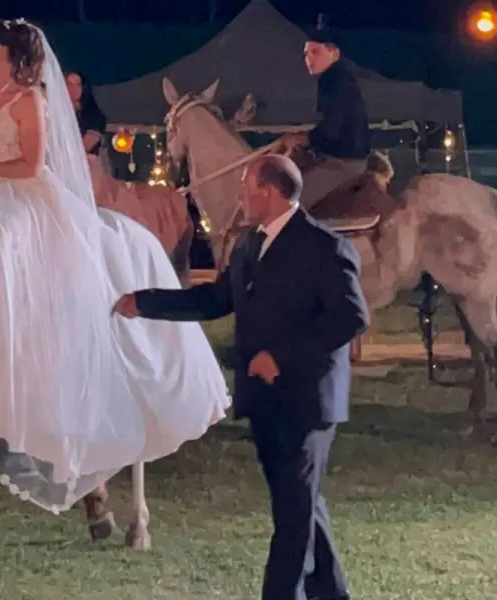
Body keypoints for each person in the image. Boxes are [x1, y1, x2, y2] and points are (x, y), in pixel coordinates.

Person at [0, 18, 230, 513]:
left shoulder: (31, 98)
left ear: (2, 52)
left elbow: (29, 165)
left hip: (24, 199)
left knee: (2, 241)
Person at [114, 154, 366, 600]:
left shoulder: (324, 247)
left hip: (307, 402)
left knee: (292, 519)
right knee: (301, 505)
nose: (240, 196)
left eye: (246, 186)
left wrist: (282, 358)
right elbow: (214, 299)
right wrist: (146, 302)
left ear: (267, 192)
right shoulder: (249, 246)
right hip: (264, 399)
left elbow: (350, 318)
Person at [282, 33, 370, 211]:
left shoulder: (334, 81)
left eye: (315, 52)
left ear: (334, 54)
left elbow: (331, 129)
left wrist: (302, 139)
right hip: (344, 157)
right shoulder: (337, 78)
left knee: (287, 204)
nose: (309, 59)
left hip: (344, 163)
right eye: (306, 54)